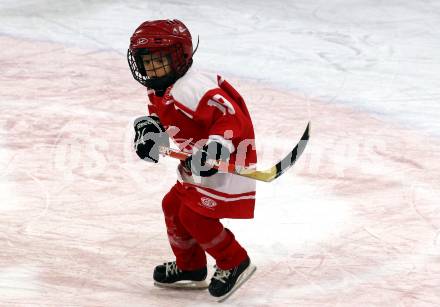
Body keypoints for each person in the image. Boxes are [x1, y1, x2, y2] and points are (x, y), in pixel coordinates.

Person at [127, 19, 257, 300]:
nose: (152, 68)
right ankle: (191, 267)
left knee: (194, 216)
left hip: (227, 160)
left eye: (160, 60)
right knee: (172, 206)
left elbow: (231, 117)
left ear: (181, 57)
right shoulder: (160, 85)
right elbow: (167, 119)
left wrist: (216, 148)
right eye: (146, 61)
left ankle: (234, 260)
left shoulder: (191, 87)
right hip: (198, 161)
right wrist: (151, 132)